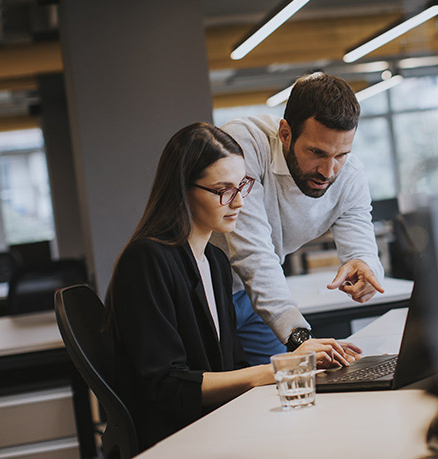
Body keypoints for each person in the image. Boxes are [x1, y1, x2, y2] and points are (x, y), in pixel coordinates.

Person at [104, 123, 360, 450]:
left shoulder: (215, 261)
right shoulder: (146, 260)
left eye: (243, 186)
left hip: (218, 428)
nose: (239, 202)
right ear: (183, 189)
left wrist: (298, 369)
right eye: (223, 189)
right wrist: (272, 370)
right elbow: (167, 386)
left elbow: (231, 367)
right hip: (178, 441)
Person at [212, 72, 385, 365]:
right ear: (285, 133)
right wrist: (299, 338)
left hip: (254, 297)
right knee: (209, 395)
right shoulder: (244, 144)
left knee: (277, 385)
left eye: (341, 154)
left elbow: (361, 246)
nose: (328, 171)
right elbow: (252, 252)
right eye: (316, 152)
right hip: (202, 293)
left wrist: (366, 268)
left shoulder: (350, 175)